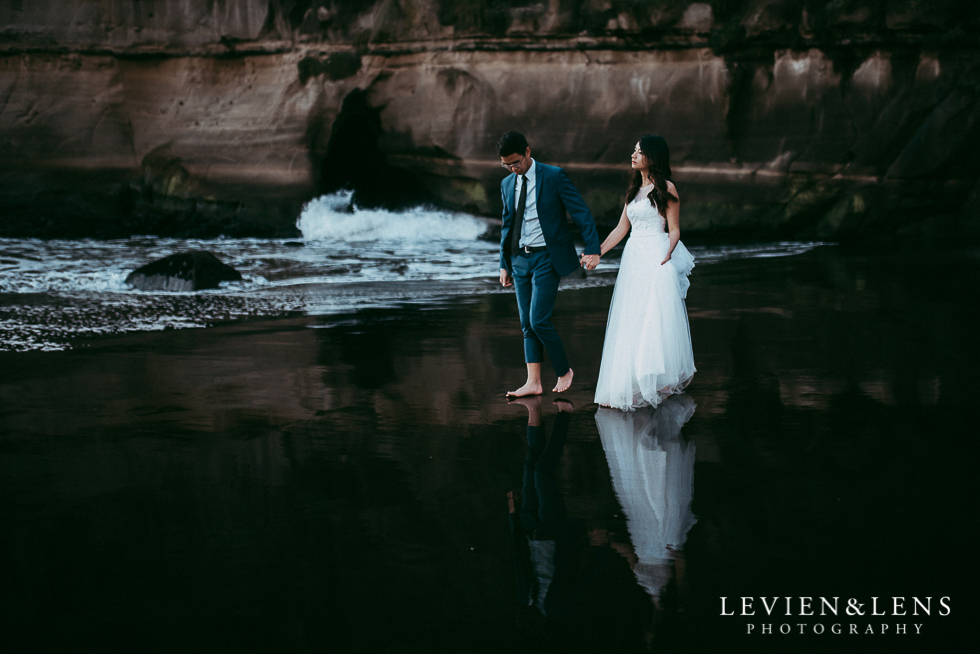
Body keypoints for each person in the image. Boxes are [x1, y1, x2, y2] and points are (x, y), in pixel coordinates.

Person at [588, 135, 696, 411]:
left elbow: (674, 229)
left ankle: (656, 380)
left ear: (652, 156)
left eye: (639, 151)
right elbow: (621, 229)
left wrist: (669, 253)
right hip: (634, 259)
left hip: (657, 257)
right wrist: (597, 252)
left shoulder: (667, 188)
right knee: (632, 317)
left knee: (654, 321)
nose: (633, 155)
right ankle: (633, 382)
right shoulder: (634, 190)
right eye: (633, 150)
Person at [497, 132, 602, 396]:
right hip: (519, 259)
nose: (512, 168)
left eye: (516, 163)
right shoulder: (507, 184)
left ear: (528, 152)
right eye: (506, 165)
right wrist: (504, 263)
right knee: (526, 323)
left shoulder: (553, 176)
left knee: (538, 319)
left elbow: (581, 212)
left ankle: (564, 370)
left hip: (547, 257)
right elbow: (507, 226)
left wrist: (593, 249)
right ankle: (533, 382)